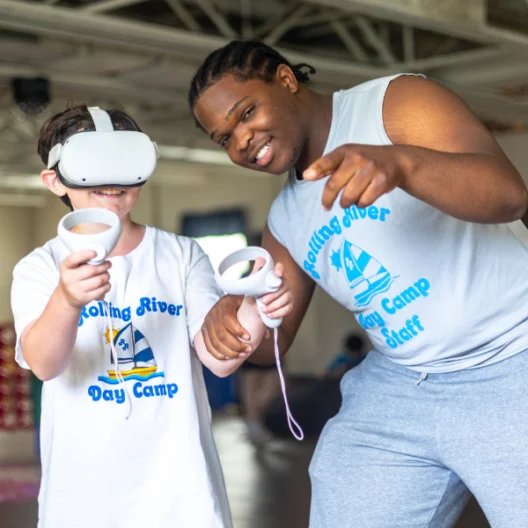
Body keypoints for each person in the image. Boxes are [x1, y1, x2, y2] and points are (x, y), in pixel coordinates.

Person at [188, 40, 528, 527]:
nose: (241, 140)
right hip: (401, 384)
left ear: (285, 80)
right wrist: (236, 316)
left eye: (246, 113)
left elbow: (508, 195)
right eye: (224, 138)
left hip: (512, 359)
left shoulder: (394, 103)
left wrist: (401, 163)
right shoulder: (285, 221)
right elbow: (270, 350)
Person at [10, 105, 293, 528]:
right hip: (82, 500)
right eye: (93, 167)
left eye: (125, 164)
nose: (112, 181)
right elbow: (45, 364)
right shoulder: (40, 267)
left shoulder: (181, 255)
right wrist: (66, 301)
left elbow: (219, 358)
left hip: (184, 497)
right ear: (55, 180)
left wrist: (256, 306)